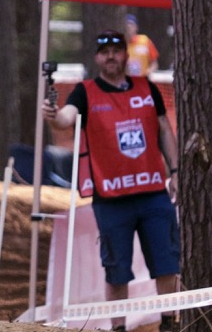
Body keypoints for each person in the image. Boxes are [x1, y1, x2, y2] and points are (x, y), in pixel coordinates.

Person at [42, 29, 180, 332]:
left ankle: (170, 322)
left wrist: (175, 171)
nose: (111, 57)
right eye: (105, 52)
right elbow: (65, 119)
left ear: (125, 55)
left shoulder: (147, 87)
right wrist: (53, 114)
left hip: (153, 193)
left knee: (167, 263)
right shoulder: (85, 91)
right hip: (111, 199)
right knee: (117, 270)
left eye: (116, 51)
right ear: (97, 58)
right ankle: (118, 327)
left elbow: (164, 129)